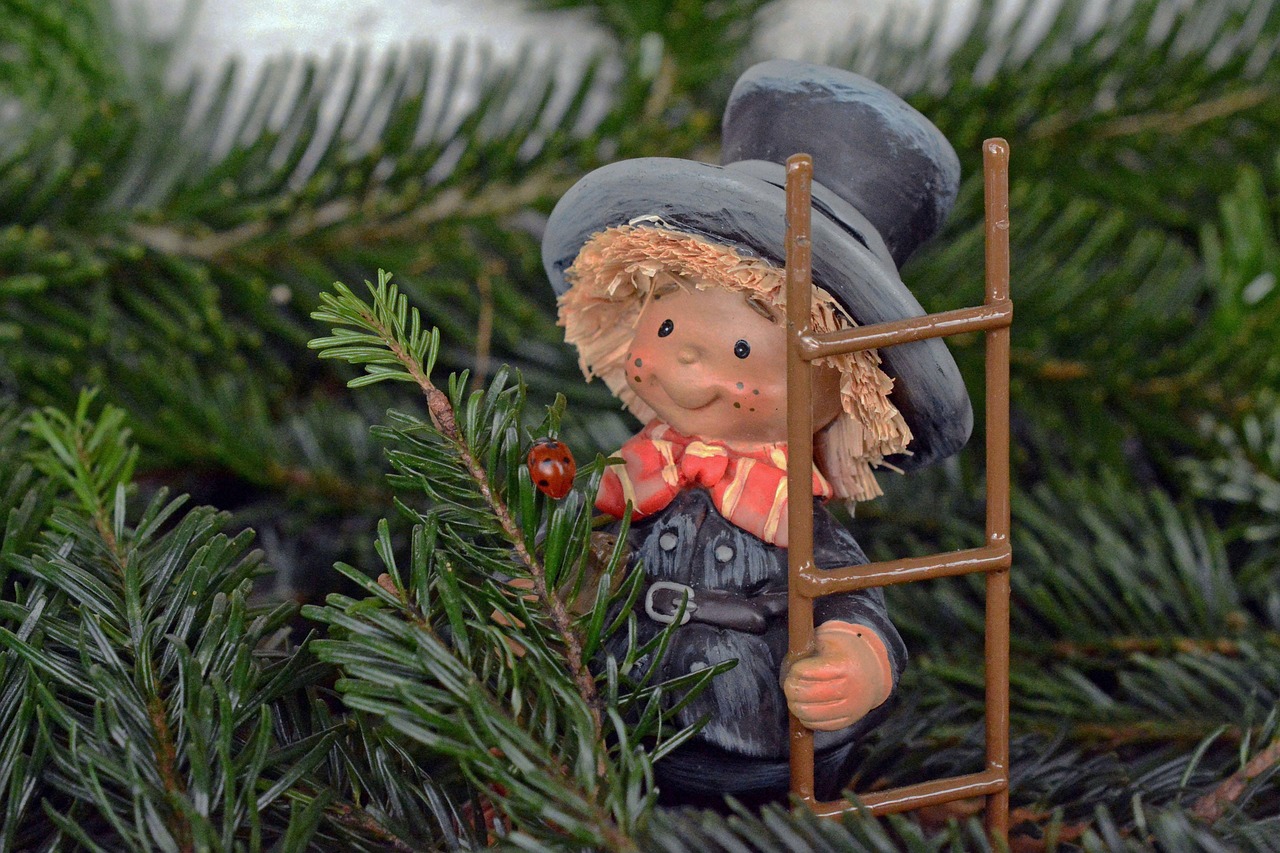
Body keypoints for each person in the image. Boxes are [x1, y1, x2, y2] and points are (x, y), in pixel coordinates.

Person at [542, 60, 972, 804]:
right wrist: (551, 537)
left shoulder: (791, 514)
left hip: (751, 725)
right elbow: (583, 528)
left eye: (741, 349)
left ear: (843, 390)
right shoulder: (638, 469)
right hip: (623, 708)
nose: (687, 363)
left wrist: (855, 662)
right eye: (666, 327)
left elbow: (850, 597)